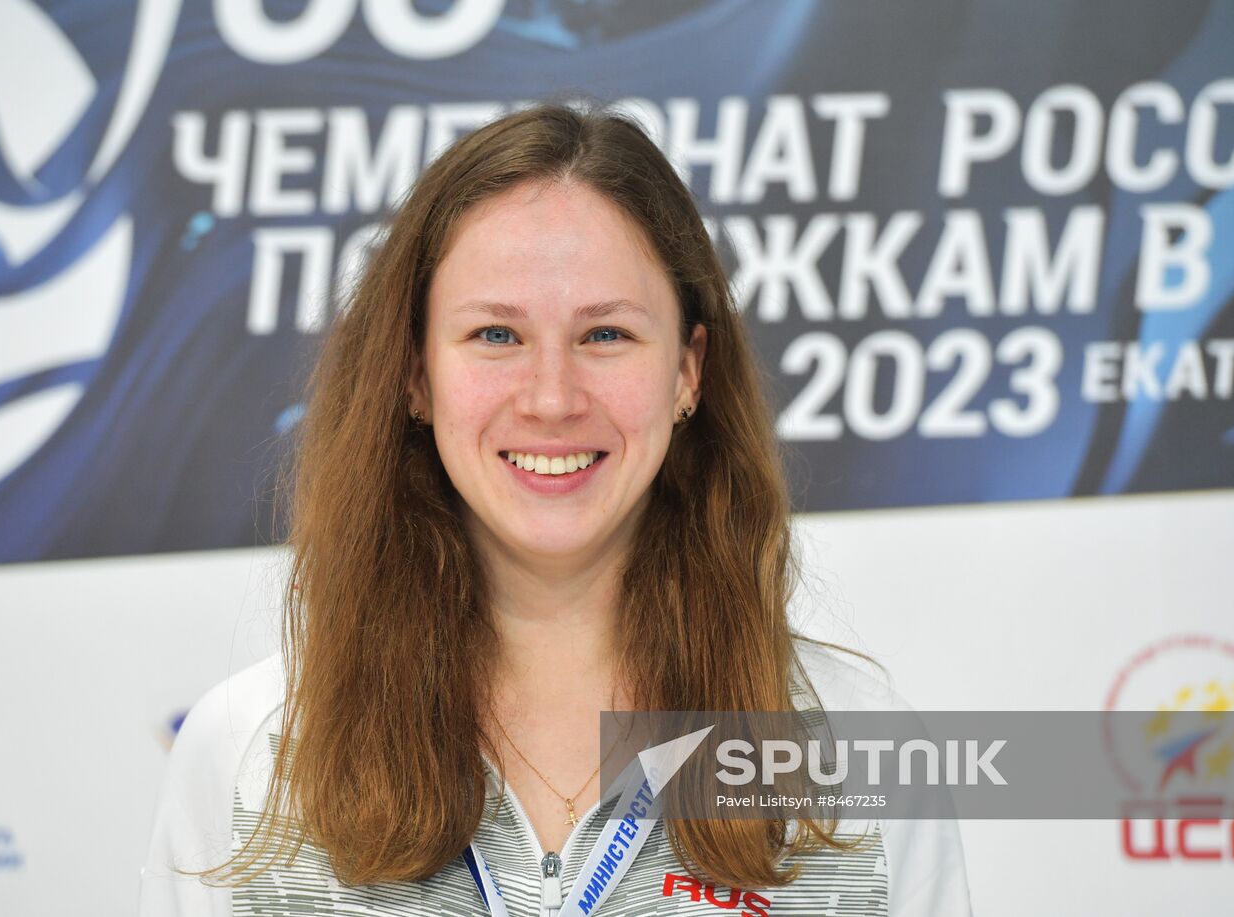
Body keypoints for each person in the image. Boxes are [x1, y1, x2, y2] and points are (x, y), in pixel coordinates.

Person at [139, 102, 973, 916]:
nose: (550, 397)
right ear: (416, 374)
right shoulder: (249, 752)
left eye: (605, 334)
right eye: (495, 335)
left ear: (688, 372)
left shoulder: (857, 750)